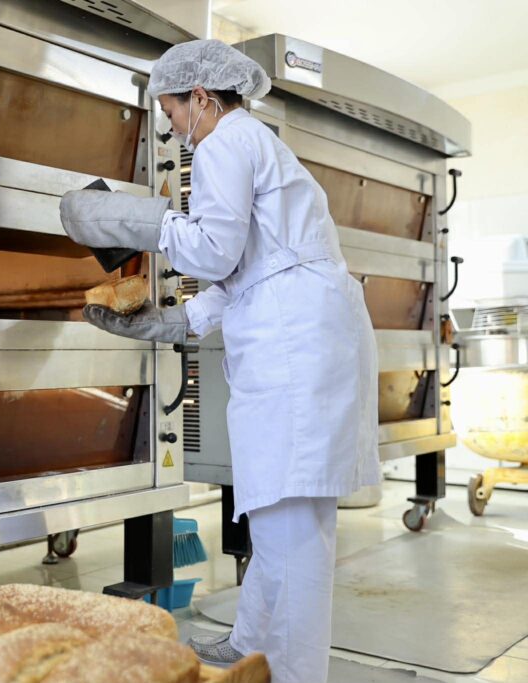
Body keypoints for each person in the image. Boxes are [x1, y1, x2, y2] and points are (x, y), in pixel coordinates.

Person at [59, 40, 379, 683]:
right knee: (281, 511)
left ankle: (290, 672)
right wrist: (174, 321)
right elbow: (244, 272)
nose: (171, 126)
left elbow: (212, 252)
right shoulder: (251, 143)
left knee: (291, 522)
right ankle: (253, 644)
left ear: (201, 97)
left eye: (172, 111)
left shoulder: (225, 143)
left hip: (296, 344)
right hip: (302, 331)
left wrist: (138, 222)